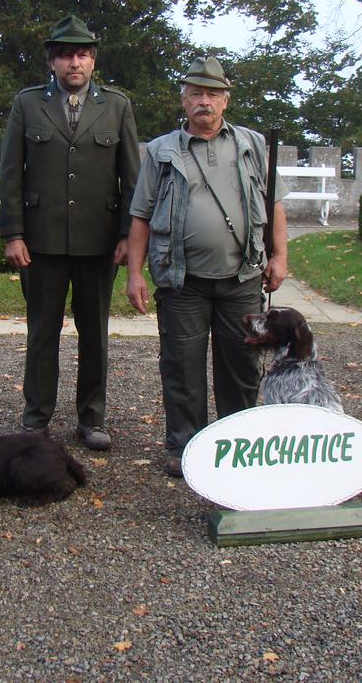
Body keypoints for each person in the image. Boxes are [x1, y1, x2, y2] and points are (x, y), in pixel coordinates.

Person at [125, 57, 289, 477]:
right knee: (181, 369)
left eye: (213, 94)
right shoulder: (161, 150)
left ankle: (237, 446)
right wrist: (135, 273)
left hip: (243, 279)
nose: (204, 101)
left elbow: (273, 204)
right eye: (196, 93)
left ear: (225, 101)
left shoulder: (252, 144)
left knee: (242, 368)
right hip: (182, 282)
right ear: (184, 101)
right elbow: (141, 215)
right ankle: (186, 449)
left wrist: (279, 256)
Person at [0, 15, 141, 450]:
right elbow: (11, 174)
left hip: (99, 243)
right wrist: (13, 234)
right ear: (52, 62)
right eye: (64, 55)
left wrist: (127, 236)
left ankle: (92, 418)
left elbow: (132, 179)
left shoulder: (116, 106)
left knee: (94, 334)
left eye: (82, 54)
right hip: (41, 243)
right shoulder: (28, 104)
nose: (73, 63)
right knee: (42, 334)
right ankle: (36, 419)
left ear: (93, 60)